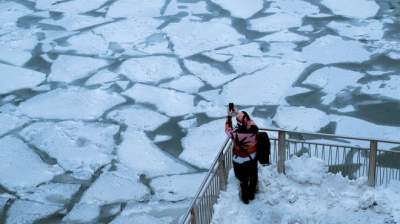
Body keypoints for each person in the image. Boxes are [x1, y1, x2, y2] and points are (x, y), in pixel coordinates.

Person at [225, 106, 259, 204]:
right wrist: (240, 114)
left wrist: (229, 116)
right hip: (251, 159)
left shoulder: (235, 134)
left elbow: (227, 129)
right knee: (253, 176)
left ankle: (245, 198)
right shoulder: (254, 130)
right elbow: (250, 122)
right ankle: (251, 194)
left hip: (238, 160)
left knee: (243, 180)